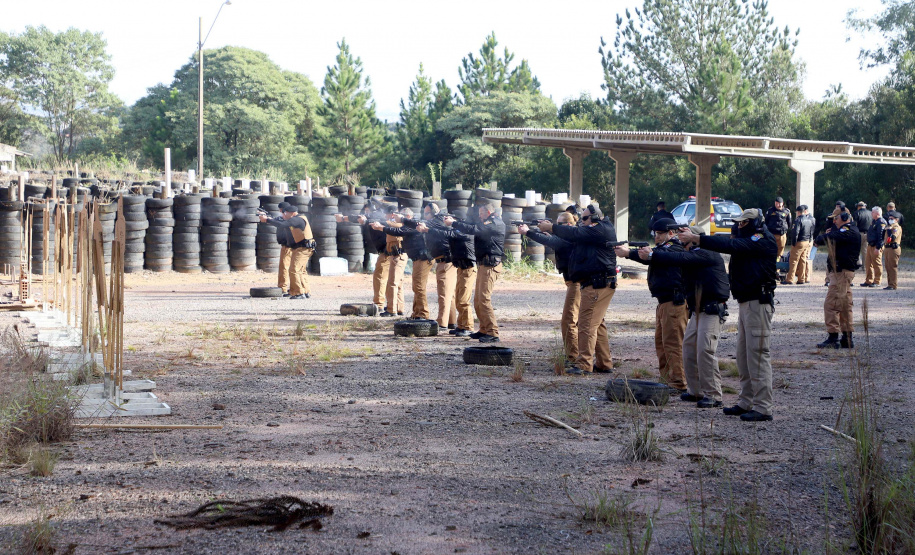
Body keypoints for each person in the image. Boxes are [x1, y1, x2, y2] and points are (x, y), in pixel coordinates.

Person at [678, 208, 778, 422]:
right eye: (739, 223)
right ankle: (746, 401)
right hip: (746, 303)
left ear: (757, 222)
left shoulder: (761, 238)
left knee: (758, 355)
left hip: (757, 303)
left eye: (744, 223)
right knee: (743, 357)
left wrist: (698, 238)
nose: (740, 226)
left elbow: (731, 245)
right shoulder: (750, 239)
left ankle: (763, 407)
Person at [650, 225, 729, 408]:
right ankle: (695, 391)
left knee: (705, 351)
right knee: (688, 349)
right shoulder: (691, 253)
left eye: (684, 237)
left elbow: (678, 257)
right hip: (698, 310)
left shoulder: (706, 252)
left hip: (711, 310)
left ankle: (713, 394)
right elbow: (674, 256)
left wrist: (652, 255)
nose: (680, 241)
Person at [540, 205, 617, 375]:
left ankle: (584, 364)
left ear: (595, 218)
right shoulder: (595, 230)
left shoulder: (599, 230)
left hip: (597, 283)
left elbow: (574, 234)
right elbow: (565, 240)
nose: (581, 222)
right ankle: (604, 363)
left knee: (586, 324)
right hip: (597, 282)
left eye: (584, 219)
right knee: (597, 324)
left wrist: (551, 227)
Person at [614, 218, 688, 393]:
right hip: (664, 302)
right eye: (655, 233)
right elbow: (650, 258)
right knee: (662, 344)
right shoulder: (663, 250)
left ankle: (678, 382)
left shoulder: (675, 248)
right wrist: (628, 253)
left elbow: (657, 257)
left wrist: (630, 254)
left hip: (674, 301)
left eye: (661, 233)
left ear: (672, 233)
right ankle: (666, 380)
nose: (657, 237)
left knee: (673, 344)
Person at [519, 211, 579, 362]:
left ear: (569, 225)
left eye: (559, 225)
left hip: (577, 282)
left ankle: (574, 357)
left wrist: (528, 232)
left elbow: (553, 242)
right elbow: (552, 240)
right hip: (573, 281)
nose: (555, 228)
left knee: (569, 320)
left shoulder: (572, 237)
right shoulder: (568, 235)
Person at [444, 202, 506, 343]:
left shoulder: (494, 223)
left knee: (484, 299)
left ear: (488, 213)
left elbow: (474, 229)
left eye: (482, 213)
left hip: (491, 265)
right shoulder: (488, 223)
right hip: (484, 265)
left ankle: (492, 332)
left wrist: (454, 224)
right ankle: (484, 329)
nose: (479, 216)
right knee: (478, 300)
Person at [374, 207, 433, 319]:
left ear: (408, 217)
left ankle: (392, 310)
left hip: (400, 255)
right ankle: (399, 308)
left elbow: (397, 230)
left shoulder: (412, 225)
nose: (397, 218)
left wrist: (382, 225)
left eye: (400, 216)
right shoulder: (407, 225)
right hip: (398, 255)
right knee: (398, 283)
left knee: (393, 283)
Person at [814, 210, 861, 348]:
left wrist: (826, 234)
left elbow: (826, 238)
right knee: (845, 305)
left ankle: (833, 337)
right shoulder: (846, 230)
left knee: (831, 304)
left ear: (845, 217)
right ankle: (847, 337)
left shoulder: (848, 230)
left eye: (837, 218)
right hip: (842, 273)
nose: (834, 221)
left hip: (841, 274)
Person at [424, 214, 476, 336]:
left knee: (462, 298)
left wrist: (428, 229)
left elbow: (447, 234)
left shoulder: (463, 232)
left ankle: (468, 326)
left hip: (468, 267)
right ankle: (460, 325)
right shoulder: (457, 231)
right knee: (457, 297)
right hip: (461, 266)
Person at [407, 204, 457, 329]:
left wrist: (406, 221)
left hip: (447, 261)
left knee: (444, 292)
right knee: (448, 292)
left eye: (428, 213)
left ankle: (442, 323)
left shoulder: (439, 222)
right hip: (442, 261)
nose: (426, 216)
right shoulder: (437, 222)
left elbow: (431, 227)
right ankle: (451, 321)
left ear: (435, 213)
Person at [259, 203, 315, 299]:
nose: (283, 215)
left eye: (285, 213)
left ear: (292, 213)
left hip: (303, 248)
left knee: (294, 270)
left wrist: (267, 220)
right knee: (300, 270)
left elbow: (282, 224)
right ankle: (304, 291)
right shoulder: (297, 218)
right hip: (301, 248)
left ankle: (298, 293)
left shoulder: (297, 219)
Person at [783, 205, 815, 285]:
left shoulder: (798, 220)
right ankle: (801, 279)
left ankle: (790, 279)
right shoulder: (809, 220)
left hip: (799, 242)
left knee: (793, 260)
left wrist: (794, 243)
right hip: (806, 241)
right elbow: (811, 232)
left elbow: (795, 233)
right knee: (803, 261)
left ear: (798, 212)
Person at [861, 206, 887, 288]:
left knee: (877, 264)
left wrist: (878, 247)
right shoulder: (874, 221)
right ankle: (869, 280)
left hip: (876, 246)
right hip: (870, 245)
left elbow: (881, 236)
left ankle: (877, 281)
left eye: (873, 212)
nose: (871, 214)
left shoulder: (881, 222)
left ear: (878, 213)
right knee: (868, 263)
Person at [883, 214, 902, 290]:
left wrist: (889, 230)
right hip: (887, 248)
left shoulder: (896, 227)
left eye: (892, 218)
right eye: (889, 218)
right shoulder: (889, 226)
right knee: (888, 267)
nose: (890, 219)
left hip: (893, 248)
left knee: (892, 267)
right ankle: (889, 284)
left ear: (896, 219)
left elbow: (893, 237)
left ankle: (893, 284)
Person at [853, 201, 871, 265]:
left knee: (856, 249)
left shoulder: (856, 213)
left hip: (859, 233)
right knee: (865, 251)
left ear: (858, 206)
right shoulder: (870, 213)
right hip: (868, 234)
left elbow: (854, 225)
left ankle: (858, 263)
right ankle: (865, 266)